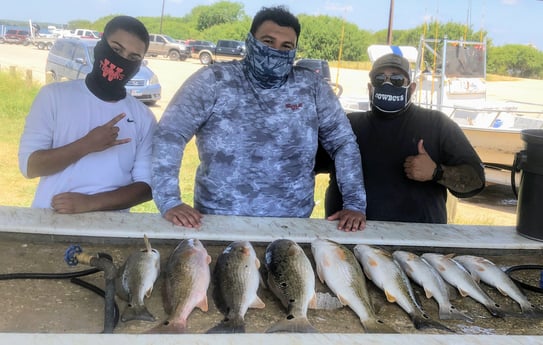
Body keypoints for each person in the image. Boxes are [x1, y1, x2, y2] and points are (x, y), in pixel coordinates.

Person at [151, 6, 366, 231]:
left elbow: (343, 143)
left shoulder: (312, 88)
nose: (276, 51)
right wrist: (169, 200)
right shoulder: (213, 81)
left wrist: (354, 203)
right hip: (218, 223)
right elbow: (170, 134)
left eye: (286, 46)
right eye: (267, 41)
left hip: (292, 225)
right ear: (250, 41)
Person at [316, 53, 485, 223]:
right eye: (379, 79)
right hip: (348, 235)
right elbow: (304, 163)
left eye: (397, 79)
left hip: (418, 242)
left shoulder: (437, 124)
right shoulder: (346, 125)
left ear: (411, 88)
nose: (387, 83)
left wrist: (436, 172)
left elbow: (476, 180)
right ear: (369, 87)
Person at [18, 16, 156, 214]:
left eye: (133, 58)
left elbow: (146, 187)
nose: (122, 60)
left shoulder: (144, 117)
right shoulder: (54, 96)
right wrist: (86, 145)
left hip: (112, 228)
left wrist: (91, 203)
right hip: (50, 219)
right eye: (116, 50)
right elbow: (30, 167)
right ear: (100, 46)